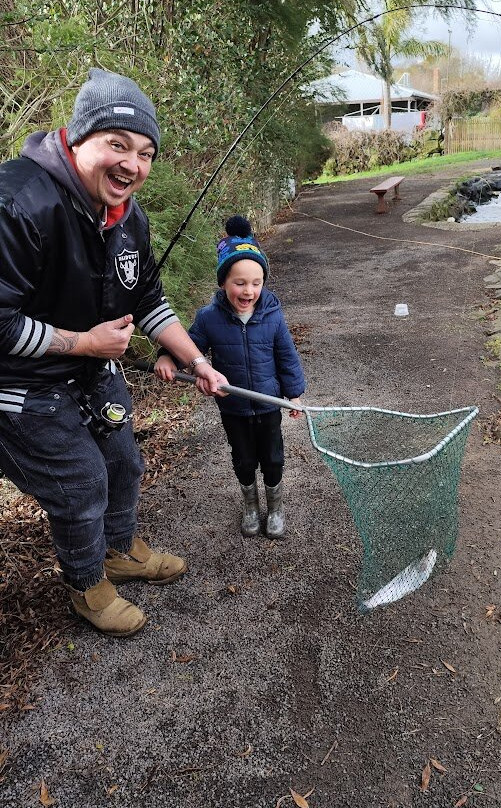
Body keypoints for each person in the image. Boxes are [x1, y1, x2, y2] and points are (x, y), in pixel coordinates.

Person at [0, 69, 229, 637]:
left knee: (124, 462)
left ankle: (119, 549)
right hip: (20, 386)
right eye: (117, 144)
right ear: (79, 138)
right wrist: (85, 343)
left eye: (145, 153)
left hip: (91, 374)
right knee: (82, 483)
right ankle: (86, 584)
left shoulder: (128, 217)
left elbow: (148, 299)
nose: (132, 165)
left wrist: (198, 362)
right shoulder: (17, 202)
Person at [155, 215, 305, 540]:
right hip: (233, 406)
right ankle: (250, 505)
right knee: (243, 459)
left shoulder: (273, 316)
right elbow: (190, 346)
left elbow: (287, 356)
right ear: (224, 282)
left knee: (273, 458)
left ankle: (275, 507)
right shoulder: (209, 318)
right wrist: (167, 356)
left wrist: (293, 393)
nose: (248, 290)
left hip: (268, 404)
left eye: (256, 283)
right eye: (240, 283)